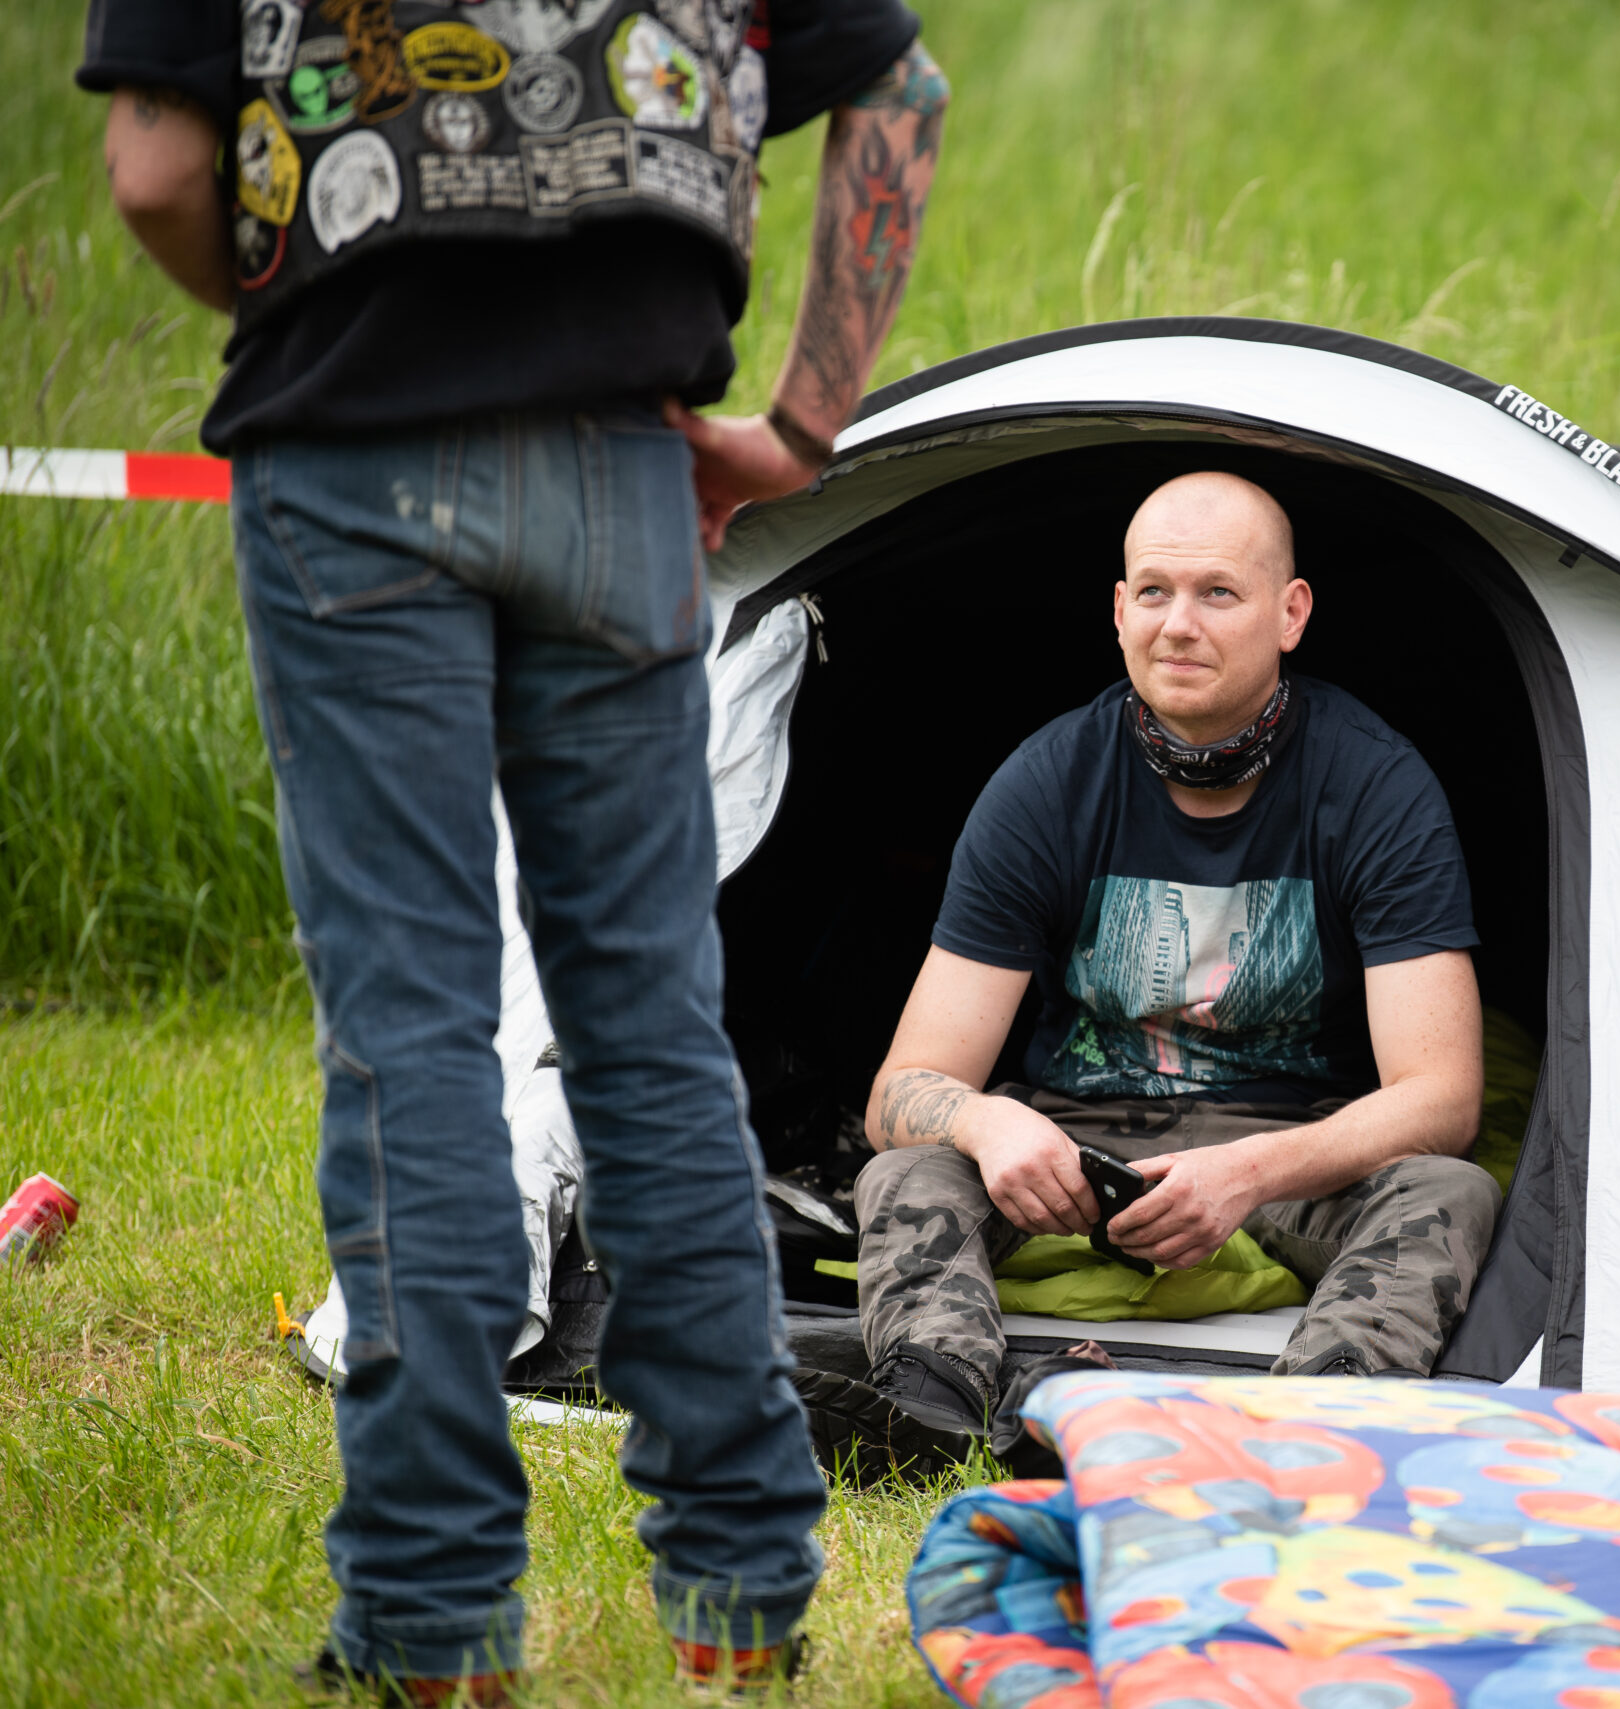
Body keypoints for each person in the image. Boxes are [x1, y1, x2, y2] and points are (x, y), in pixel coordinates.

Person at [78, 0, 948, 1698]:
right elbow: (896, 95)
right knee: (647, 1029)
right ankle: (741, 1592)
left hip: (350, 460)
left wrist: (321, 327)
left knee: (409, 1030)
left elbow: (155, 172)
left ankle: (432, 1615)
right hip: (618, 460)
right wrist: (799, 429)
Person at [844, 470, 1503, 1471]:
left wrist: (1248, 1171)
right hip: (1075, 1147)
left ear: (1291, 613)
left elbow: (1443, 1099)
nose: (1178, 624)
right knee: (904, 1170)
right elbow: (902, 1089)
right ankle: (938, 1416)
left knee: (1447, 1190)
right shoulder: (1044, 783)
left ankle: (1309, 1435)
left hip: (1289, 1150)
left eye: (1218, 592)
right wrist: (989, 1124)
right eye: (1153, 591)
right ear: (1119, 611)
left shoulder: (1377, 784)